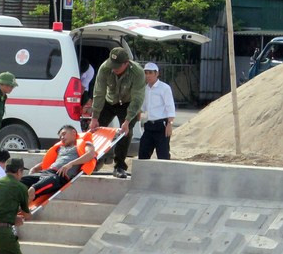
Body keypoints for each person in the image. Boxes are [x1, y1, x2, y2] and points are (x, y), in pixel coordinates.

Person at [89, 47, 145, 179]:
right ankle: (95, 161)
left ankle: (119, 166)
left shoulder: (137, 73)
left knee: (125, 133)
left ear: (126, 63)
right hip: (109, 101)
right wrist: (94, 116)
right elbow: (99, 92)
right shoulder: (105, 68)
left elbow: (138, 98)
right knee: (96, 130)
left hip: (127, 103)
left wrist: (127, 121)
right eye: (112, 65)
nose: (114, 69)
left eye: (117, 67)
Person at [21, 125, 95, 204]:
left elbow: (90, 155)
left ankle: (20, 211)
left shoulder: (84, 143)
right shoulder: (60, 148)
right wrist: (34, 169)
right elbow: (49, 162)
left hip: (58, 176)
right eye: (60, 137)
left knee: (32, 190)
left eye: (64, 134)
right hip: (46, 172)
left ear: (73, 132)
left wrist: (71, 164)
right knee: (17, 183)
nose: (62, 138)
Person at [139, 62, 176, 161]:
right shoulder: (145, 89)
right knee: (143, 153)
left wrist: (170, 124)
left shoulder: (164, 88)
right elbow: (143, 107)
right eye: (146, 73)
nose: (148, 75)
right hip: (149, 126)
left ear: (156, 74)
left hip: (161, 126)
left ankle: (166, 175)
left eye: (150, 73)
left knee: (163, 155)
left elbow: (170, 107)